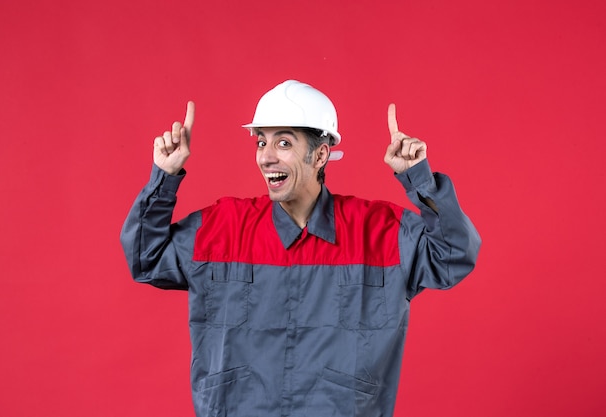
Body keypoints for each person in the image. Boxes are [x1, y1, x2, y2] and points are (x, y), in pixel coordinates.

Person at [120, 80, 481, 416]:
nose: (266, 157)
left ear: (321, 155)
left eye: (284, 143)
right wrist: (163, 177)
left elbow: (453, 256)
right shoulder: (222, 227)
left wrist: (418, 177)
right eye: (261, 142)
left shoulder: (381, 232)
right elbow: (144, 258)